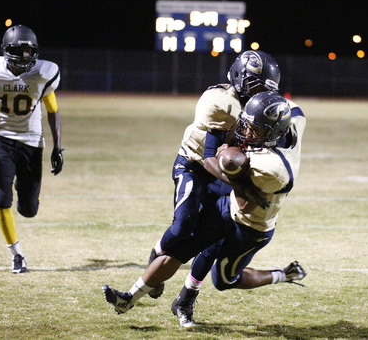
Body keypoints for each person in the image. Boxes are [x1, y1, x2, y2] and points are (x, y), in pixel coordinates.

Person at [103, 91, 307, 326]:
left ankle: (284, 274)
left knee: (224, 280)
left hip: (251, 225)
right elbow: (292, 108)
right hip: (226, 205)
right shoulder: (295, 118)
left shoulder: (274, 169)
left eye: (256, 130)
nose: (248, 132)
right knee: (182, 250)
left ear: (274, 133)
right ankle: (129, 298)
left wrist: (228, 163)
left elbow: (245, 202)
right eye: (248, 125)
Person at [145, 50, 281, 299]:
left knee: (214, 236)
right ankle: (155, 258)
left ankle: (187, 298)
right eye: (254, 84)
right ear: (239, 76)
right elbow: (209, 158)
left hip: (224, 170)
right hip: (195, 165)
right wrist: (242, 185)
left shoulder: (256, 105)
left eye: (263, 88)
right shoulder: (220, 101)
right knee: (184, 224)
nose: (258, 93)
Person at [0, 24, 64, 273]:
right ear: (6, 50)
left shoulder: (43, 73)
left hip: (32, 142)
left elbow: (53, 111)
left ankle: (29, 196)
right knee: (1, 200)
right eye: (19, 51)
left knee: (29, 210)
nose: (25, 56)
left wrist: (57, 147)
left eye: (28, 51)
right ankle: (16, 254)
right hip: (2, 140)